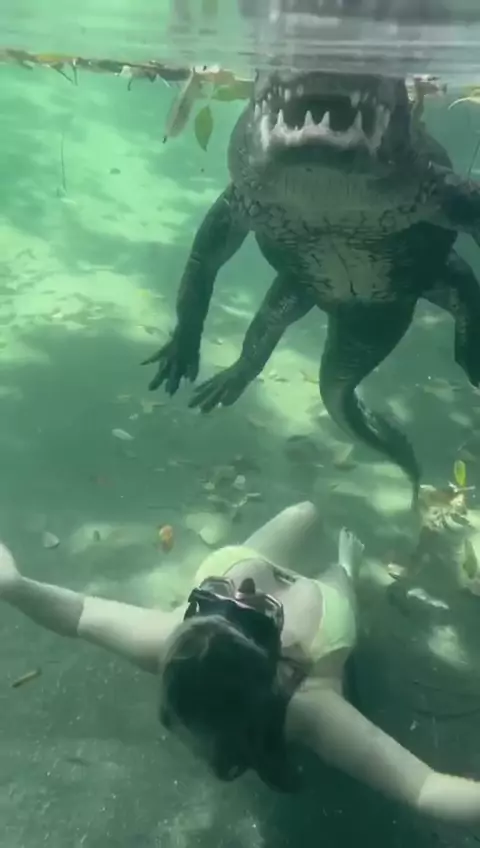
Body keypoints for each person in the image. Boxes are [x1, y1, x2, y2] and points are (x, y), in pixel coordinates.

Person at [2, 501, 480, 821]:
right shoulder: (312, 708)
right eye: (255, 609)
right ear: (271, 659)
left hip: (245, 621)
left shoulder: (174, 643)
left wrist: (13, 586)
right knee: (335, 574)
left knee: (305, 514)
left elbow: (80, 612)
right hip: (326, 620)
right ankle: (344, 571)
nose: (244, 586)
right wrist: (344, 572)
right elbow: (425, 789)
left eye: (210, 596)